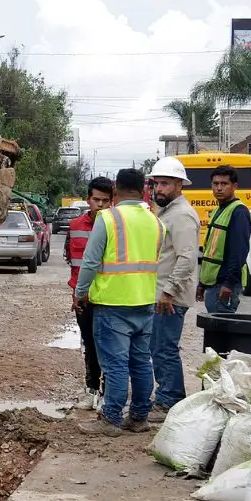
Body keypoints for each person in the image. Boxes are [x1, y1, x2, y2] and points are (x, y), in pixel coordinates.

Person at [74, 168, 165, 436]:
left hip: (112, 303)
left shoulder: (108, 218)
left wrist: (80, 291)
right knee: (141, 362)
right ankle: (138, 417)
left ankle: (110, 418)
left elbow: (90, 261)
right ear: (144, 190)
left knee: (115, 364)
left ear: (115, 190)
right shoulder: (156, 222)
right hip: (144, 301)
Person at [146, 157, 201, 424]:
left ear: (179, 185)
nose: (159, 189)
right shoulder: (167, 211)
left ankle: (170, 400)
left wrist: (168, 291)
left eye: (165, 183)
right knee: (158, 347)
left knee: (164, 349)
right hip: (163, 293)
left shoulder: (181, 215)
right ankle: (167, 396)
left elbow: (187, 258)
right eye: (156, 183)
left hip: (170, 296)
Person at [64, 176, 114, 410]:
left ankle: (108, 393)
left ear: (112, 201)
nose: (100, 205)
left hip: (109, 296)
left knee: (110, 346)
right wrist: (78, 292)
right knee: (90, 345)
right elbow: (74, 262)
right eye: (96, 200)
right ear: (88, 200)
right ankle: (91, 389)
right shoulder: (75, 226)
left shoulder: (116, 226)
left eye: (105, 200)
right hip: (83, 298)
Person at [197, 166, 251, 314]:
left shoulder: (238, 212)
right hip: (213, 283)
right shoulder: (218, 210)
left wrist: (229, 284)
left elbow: (239, 252)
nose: (219, 188)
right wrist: (202, 283)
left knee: (221, 326)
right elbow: (210, 251)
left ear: (234, 186)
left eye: (224, 184)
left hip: (224, 285)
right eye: (215, 184)